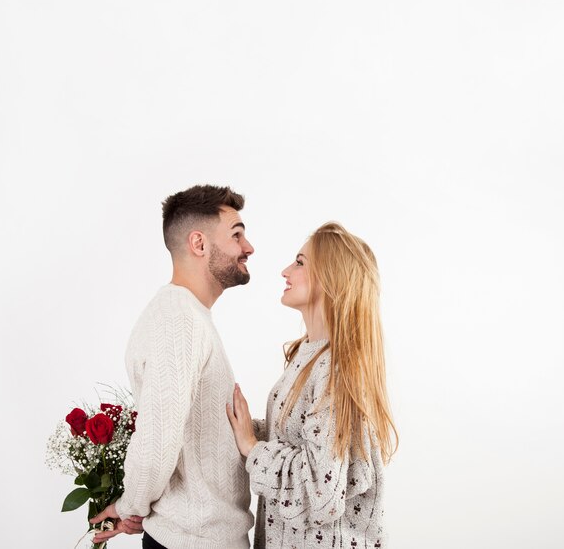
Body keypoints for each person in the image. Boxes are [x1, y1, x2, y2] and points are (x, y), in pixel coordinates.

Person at [91, 184, 255, 549]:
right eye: (237, 234)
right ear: (199, 244)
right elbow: (157, 439)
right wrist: (131, 505)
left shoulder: (188, 316)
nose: (248, 247)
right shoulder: (178, 320)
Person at [227, 222, 398, 548]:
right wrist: (248, 428)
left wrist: (252, 446)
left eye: (300, 262)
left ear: (330, 277)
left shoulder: (336, 369)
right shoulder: (310, 353)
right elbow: (303, 441)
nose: (285, 270)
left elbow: (322, 492)